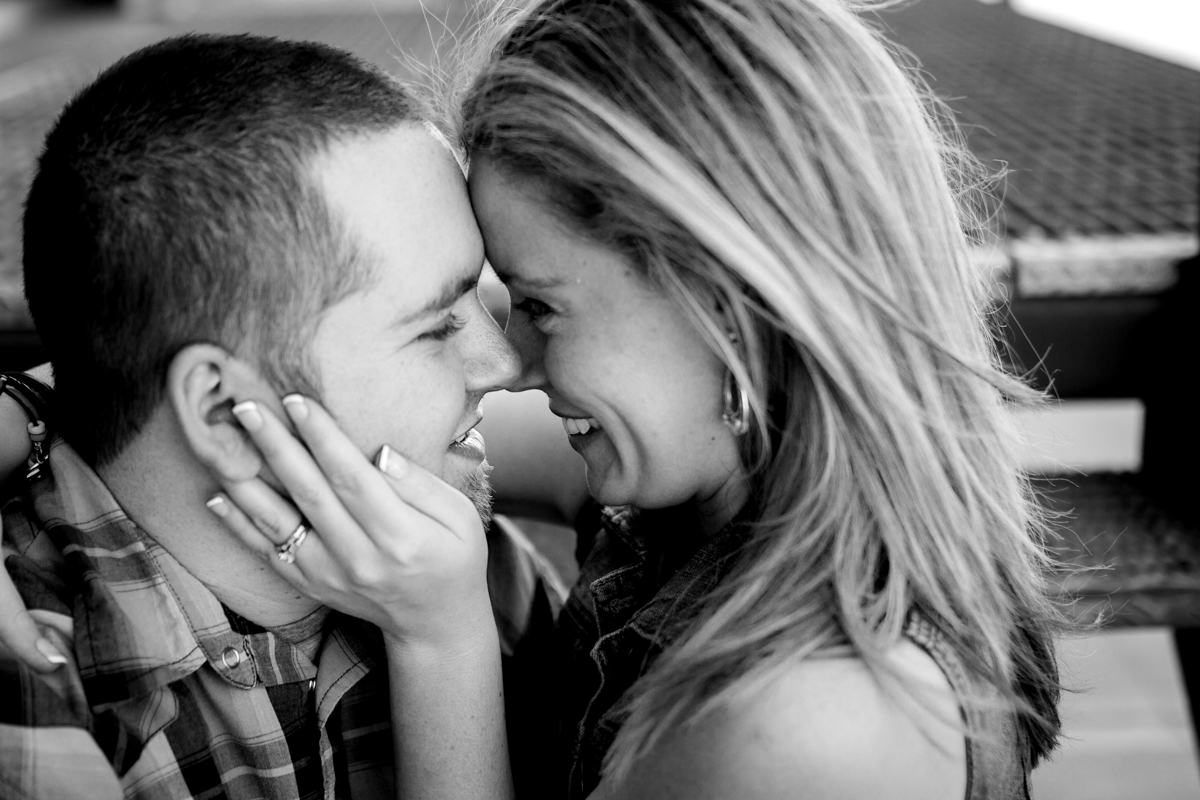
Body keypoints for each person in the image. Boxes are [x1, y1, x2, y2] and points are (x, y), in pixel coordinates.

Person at [1, 1, 1066, 798]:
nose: (507, 362)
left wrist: (443, 642)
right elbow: (140, 400)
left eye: (537, 306)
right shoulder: (717, 471)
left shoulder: (797, 730)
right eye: (443, 318)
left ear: (728, 310)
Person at [0, 32, 569, 800]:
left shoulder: (447, 550)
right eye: (438, 326)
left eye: (486, 298)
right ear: (225, 411)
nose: (504, 365)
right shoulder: (41, 687)